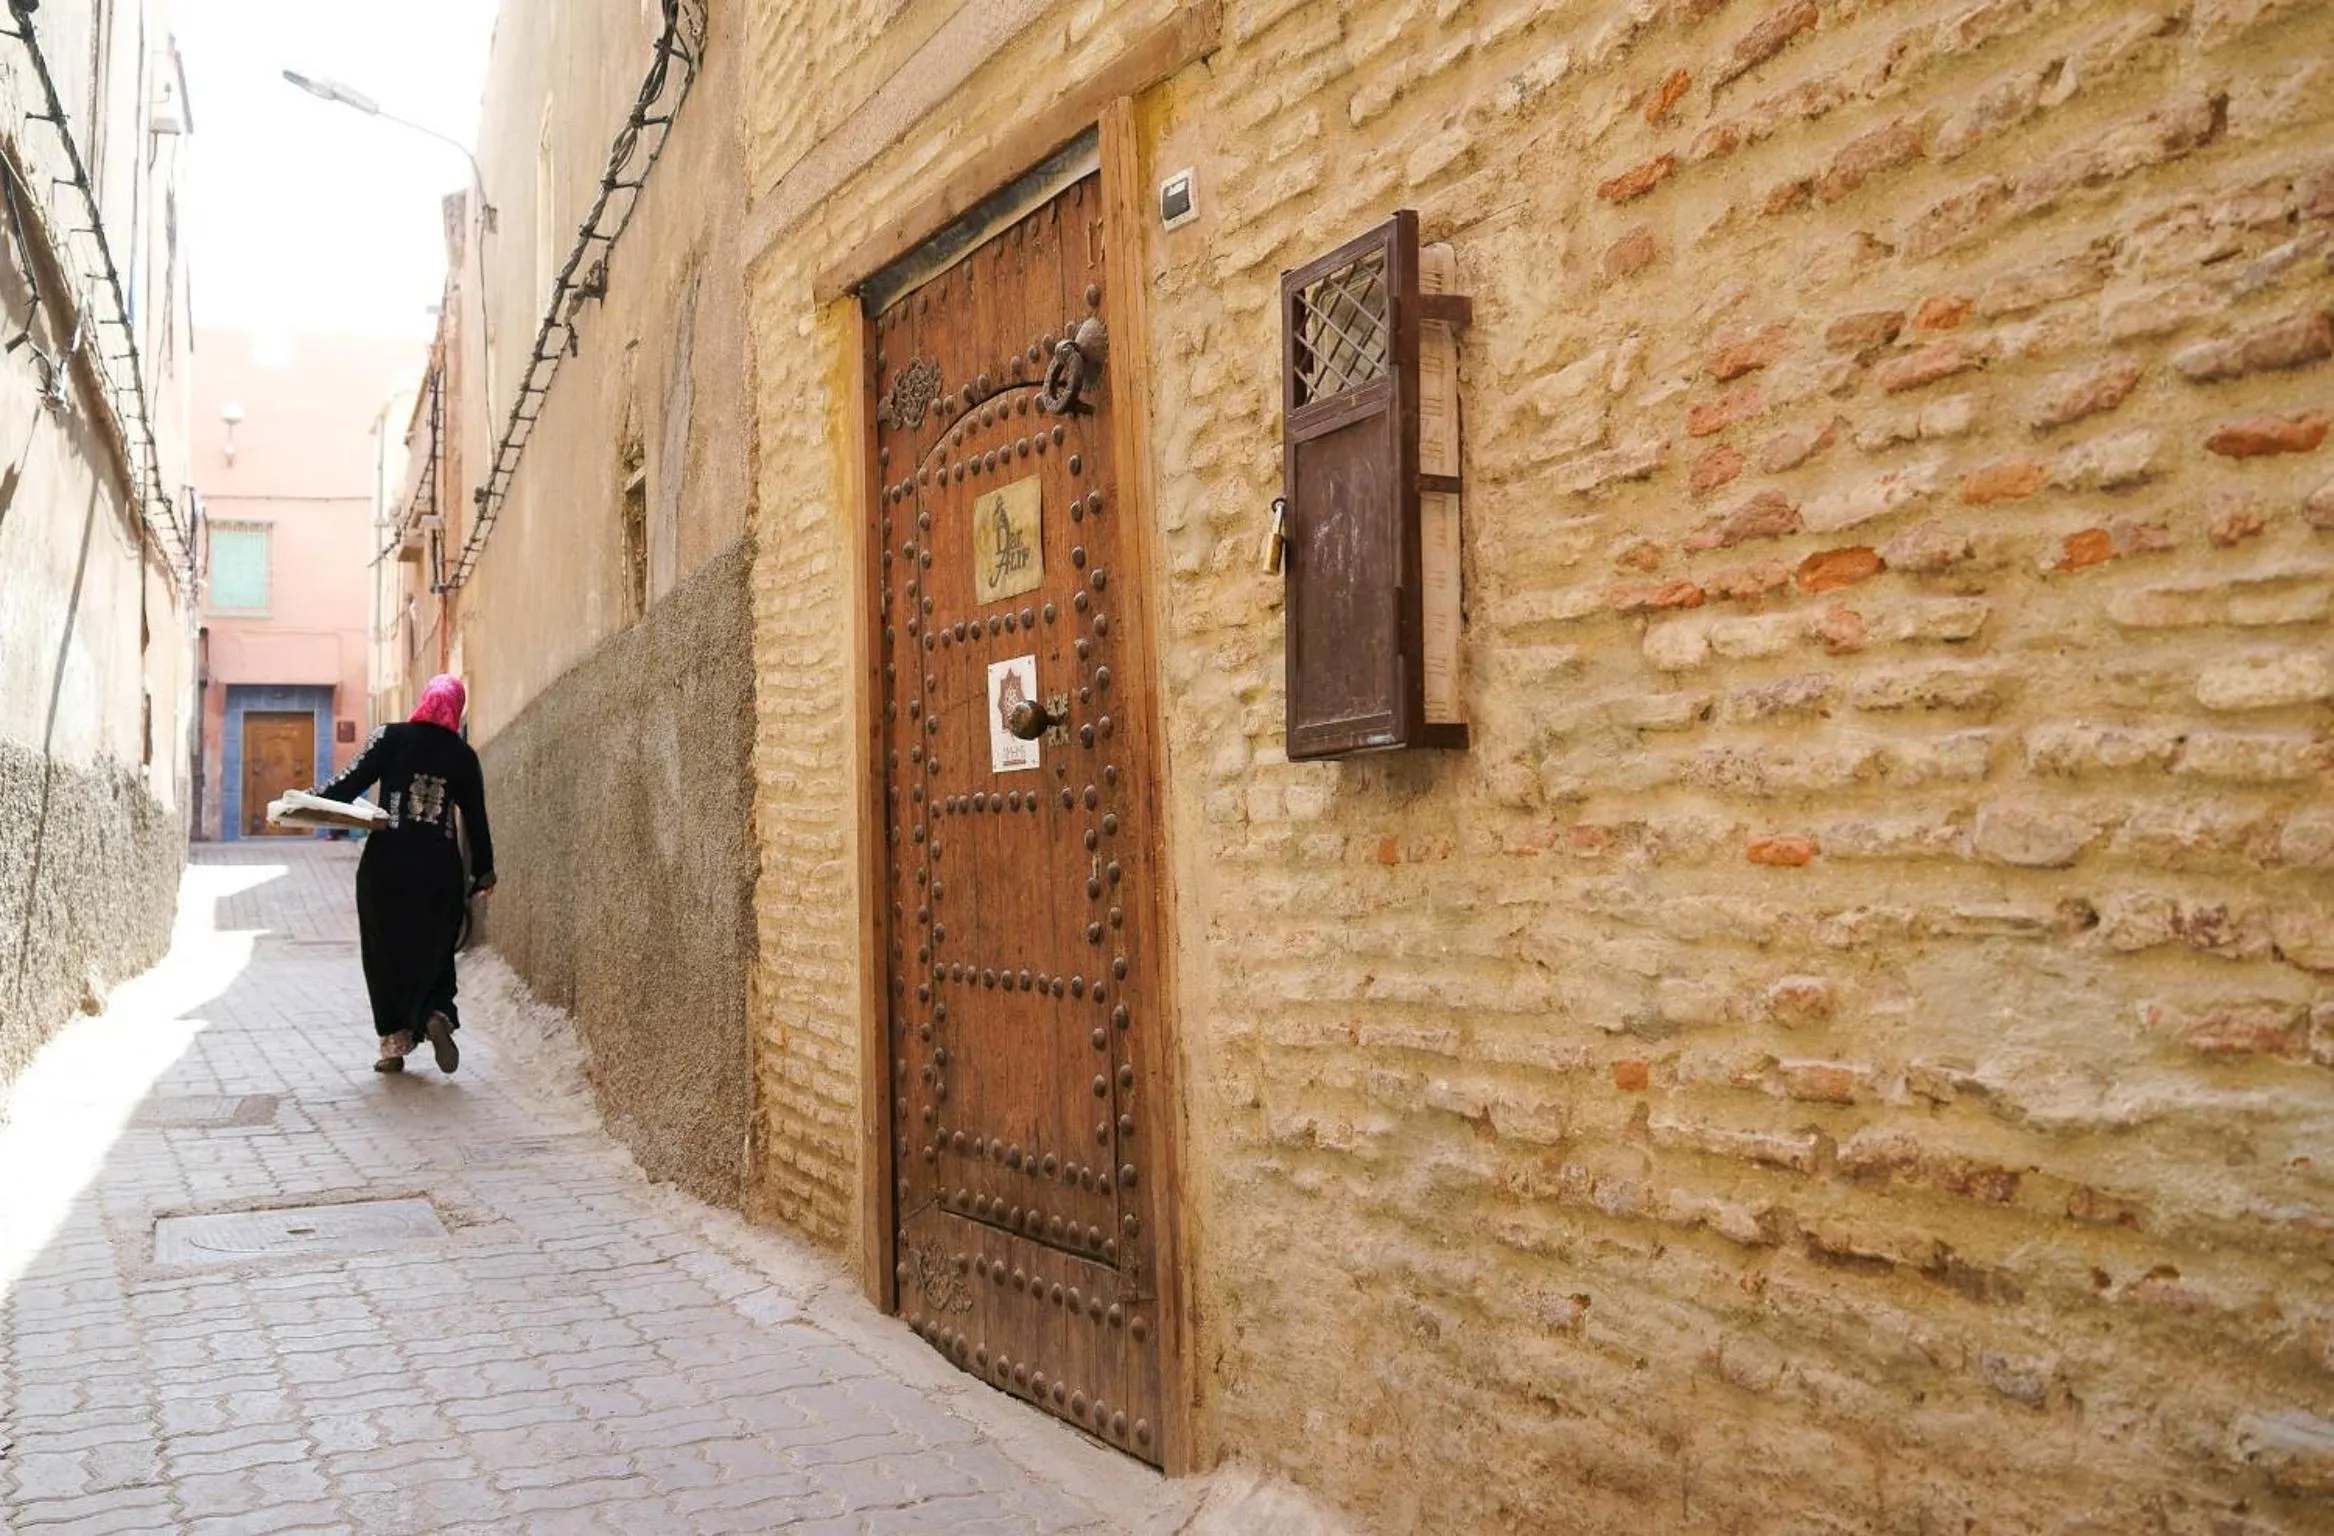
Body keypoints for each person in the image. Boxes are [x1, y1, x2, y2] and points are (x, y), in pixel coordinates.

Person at [312, 674, 495, 1073]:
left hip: (386, 867)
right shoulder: (463, 756)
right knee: (434, 948)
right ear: (456, 708)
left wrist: (308, 801)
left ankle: (394, 1044)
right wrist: (484, 872)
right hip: (439, 870)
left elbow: (349, 784)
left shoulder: (390, 737)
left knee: (384, 950)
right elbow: (476, 820)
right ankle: (435, 1014)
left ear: (424, 701)